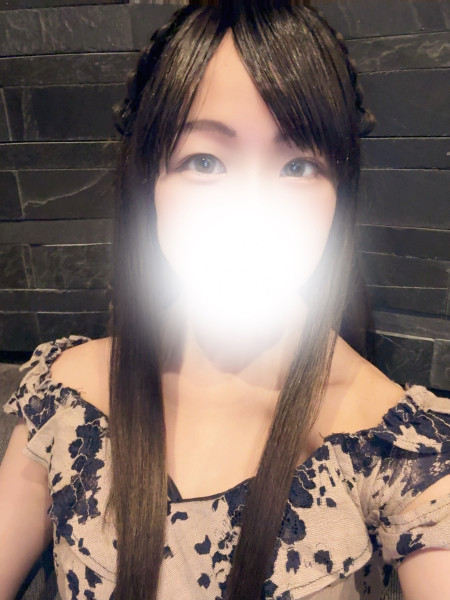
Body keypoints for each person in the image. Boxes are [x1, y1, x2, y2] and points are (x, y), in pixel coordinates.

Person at [1, 1, 449, 599]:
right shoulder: (65, 394)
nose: (251, 213)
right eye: (205, 161)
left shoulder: (399, 453)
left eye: (298, 165)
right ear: (149, 182)